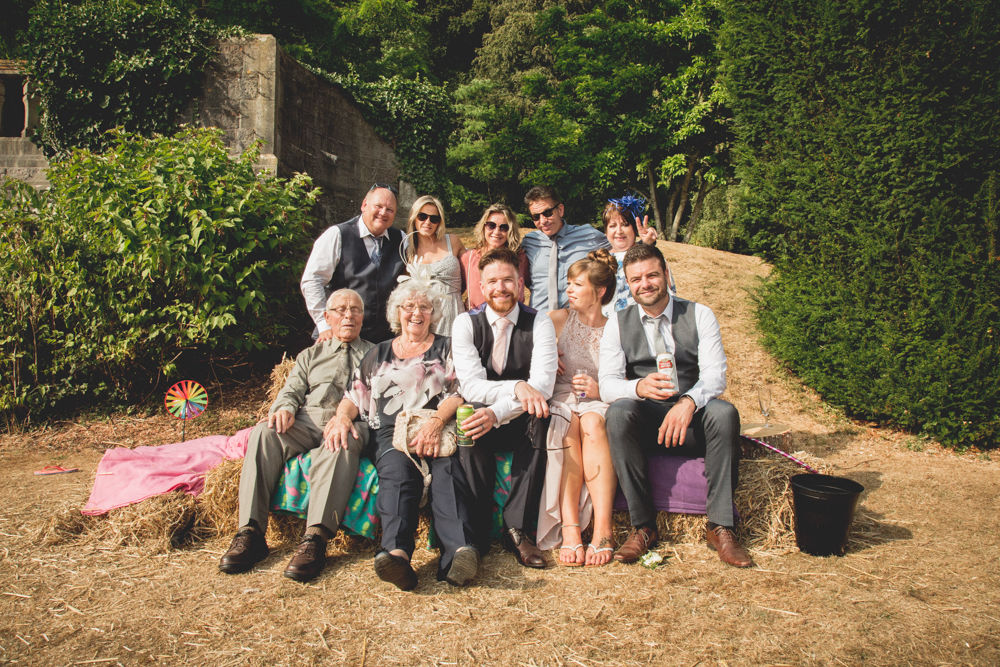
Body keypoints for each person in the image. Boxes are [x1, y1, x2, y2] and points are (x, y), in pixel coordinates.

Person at [598, 243, 752, 568]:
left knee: (724, 413)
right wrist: (637, 386)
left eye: (652, 275)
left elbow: (715, 376)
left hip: (693, 420)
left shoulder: (700, 314)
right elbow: (607, 385)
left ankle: (720, 526)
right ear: (629, 284)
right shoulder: (617, 323)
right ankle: (643, 526)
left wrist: (688, 402)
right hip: (648, 421)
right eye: (636, 279)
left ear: (666, 274)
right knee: (618, 412)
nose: (645, 284)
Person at [324, 279, 478, 590]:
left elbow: (460, 392)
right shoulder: (378, 353)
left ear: (433, 313)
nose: (416, 313)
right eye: (409, 307)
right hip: (392, 433)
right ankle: (397, 556)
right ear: (397, 312)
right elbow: (354, 395)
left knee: (447, 472)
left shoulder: (447, 347)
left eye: (424, 307)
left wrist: (436, 423)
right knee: (396, 474)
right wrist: (340, 417)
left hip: (439, 426)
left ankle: (458, 555)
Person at [219, 289, 374, 582]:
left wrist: (347, 418)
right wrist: (284, 408)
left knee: (340, 441)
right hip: (307, 421)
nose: (348, 316)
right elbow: (291, 390)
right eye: (341, 310)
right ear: (327, 317)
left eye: (355, 310)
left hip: (350, 422)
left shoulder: (375, 355)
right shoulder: (310, 354)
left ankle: (314, 539)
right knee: (264, 433)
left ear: (363, 317)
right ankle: (250, 532)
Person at [451, 247, 558, 569]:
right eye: (493, 281)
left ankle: (517, 529)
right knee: (469, 413)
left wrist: (498, 412)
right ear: (481, 287)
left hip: (519, 419)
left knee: (541, 411)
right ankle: (477, 528)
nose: (501, 288)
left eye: (508, 280)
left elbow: (542, 386)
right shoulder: (465, 323)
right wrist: (516, 386)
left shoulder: (540, 322)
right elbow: (471, 385)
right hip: (482, 415)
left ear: (520, 283)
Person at [544, 249, 619, 567]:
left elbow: (625, 379)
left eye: (577, 284)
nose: (569, 290)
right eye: (569, 283)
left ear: (599, 292)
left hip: (599, 400)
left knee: (592, 424)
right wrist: (548, 355)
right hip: (562, 396)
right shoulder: (557, 320)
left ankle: (603, 529)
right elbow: (528, 354)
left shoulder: (616, 328)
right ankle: (570, 527)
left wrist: (599, 389)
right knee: (568, 424)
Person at [300, 183, 405, 344]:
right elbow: (313, 280)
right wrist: (323, 324)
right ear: (364, 205)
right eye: (378, 206)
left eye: (390, 209)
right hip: (340, 336)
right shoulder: (337, 235)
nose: (383, 212)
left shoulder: (402, 239)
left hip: (383, 340)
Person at [520, 186, 610, 311]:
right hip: (538, 318)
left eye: (547, 213)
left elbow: (622, 248)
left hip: (577, 317)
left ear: (560, 210)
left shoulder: (589, 236)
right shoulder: (529, 242)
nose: (543, 221)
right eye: (536, 217)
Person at [402, 195, 466, 335]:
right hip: (424, 320)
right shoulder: (407, 252)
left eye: (434, 219)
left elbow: (472, 274)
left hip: (454, 314)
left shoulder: (453, 242)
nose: (428, 222)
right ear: (414, 217)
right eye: (422, 216)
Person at [602, 194, 672, 316]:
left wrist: (646, 245)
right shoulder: (599, 258)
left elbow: (670, 295)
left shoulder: (652, 258)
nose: (619, 231)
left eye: (625, 224)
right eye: (612, 226)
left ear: (634, 229)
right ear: (606, 231)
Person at [460, 203, 530, 309]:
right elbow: (455, 291)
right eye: (491, 225)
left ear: (510, 230)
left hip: (512, 318)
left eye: (504, 227)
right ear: (483, 227)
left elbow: (536, 287)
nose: (497, 232)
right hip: (478, 318)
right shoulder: (468, 259)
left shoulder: (520, 258)